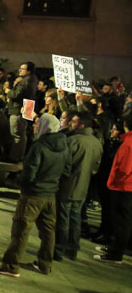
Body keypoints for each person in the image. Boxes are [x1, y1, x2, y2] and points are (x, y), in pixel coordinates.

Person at [0, 113, 72, 277]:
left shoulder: (39, 146)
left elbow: (29, 174)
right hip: (50, 194)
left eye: (37, 123)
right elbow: (67, 170)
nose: (34, 126)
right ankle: (45, 264)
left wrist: (19, 180)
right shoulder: (64, 145)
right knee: (48, 231)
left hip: (33, 195)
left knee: (20, 230)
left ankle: (11, 265)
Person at [55, 111, 102, 260]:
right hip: (83, 185)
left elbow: (64, 164)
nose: (70, 123)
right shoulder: (96, 143)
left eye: (74, 121)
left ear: (81, 125)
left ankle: (59, 249)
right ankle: (72, 248)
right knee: (75, 217)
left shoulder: (73, 140)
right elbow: (95, 167)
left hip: (68, 185)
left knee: (63, 218)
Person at [95, 113, 132, 264]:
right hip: (123, 185)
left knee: (121, 221)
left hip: (123, 186)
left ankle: (116, 254)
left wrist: (115, 174)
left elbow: (125, 168)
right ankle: (113, 247)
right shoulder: (127, 141)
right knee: (118, 220)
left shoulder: (129, 143)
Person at [6, 61, 38, 162]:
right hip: (24, 109)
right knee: (21, 135)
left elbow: (16, 94)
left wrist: (9, 91)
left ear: (28, 71)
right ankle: (19, 156)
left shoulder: (25, 82)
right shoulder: (32, 80)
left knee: (17, 134)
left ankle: (14, 157)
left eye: (22, 69)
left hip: (17, 110)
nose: (20, 70)